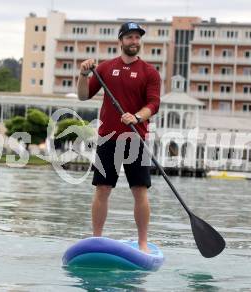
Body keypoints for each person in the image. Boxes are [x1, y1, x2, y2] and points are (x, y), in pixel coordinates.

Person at [77, 22, 161, 253]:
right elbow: (83, 96)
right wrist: (83, 74)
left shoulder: (149, 72)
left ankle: (143, 243)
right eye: (130, 37)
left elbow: (153, 104)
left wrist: (136, 116)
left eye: (137, 38)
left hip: (136, 138)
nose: (135, 41)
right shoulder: (104, 68)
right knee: (102, 189)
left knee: (139, 190)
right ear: (121, 41)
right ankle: (96, 239)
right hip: (108, 138)